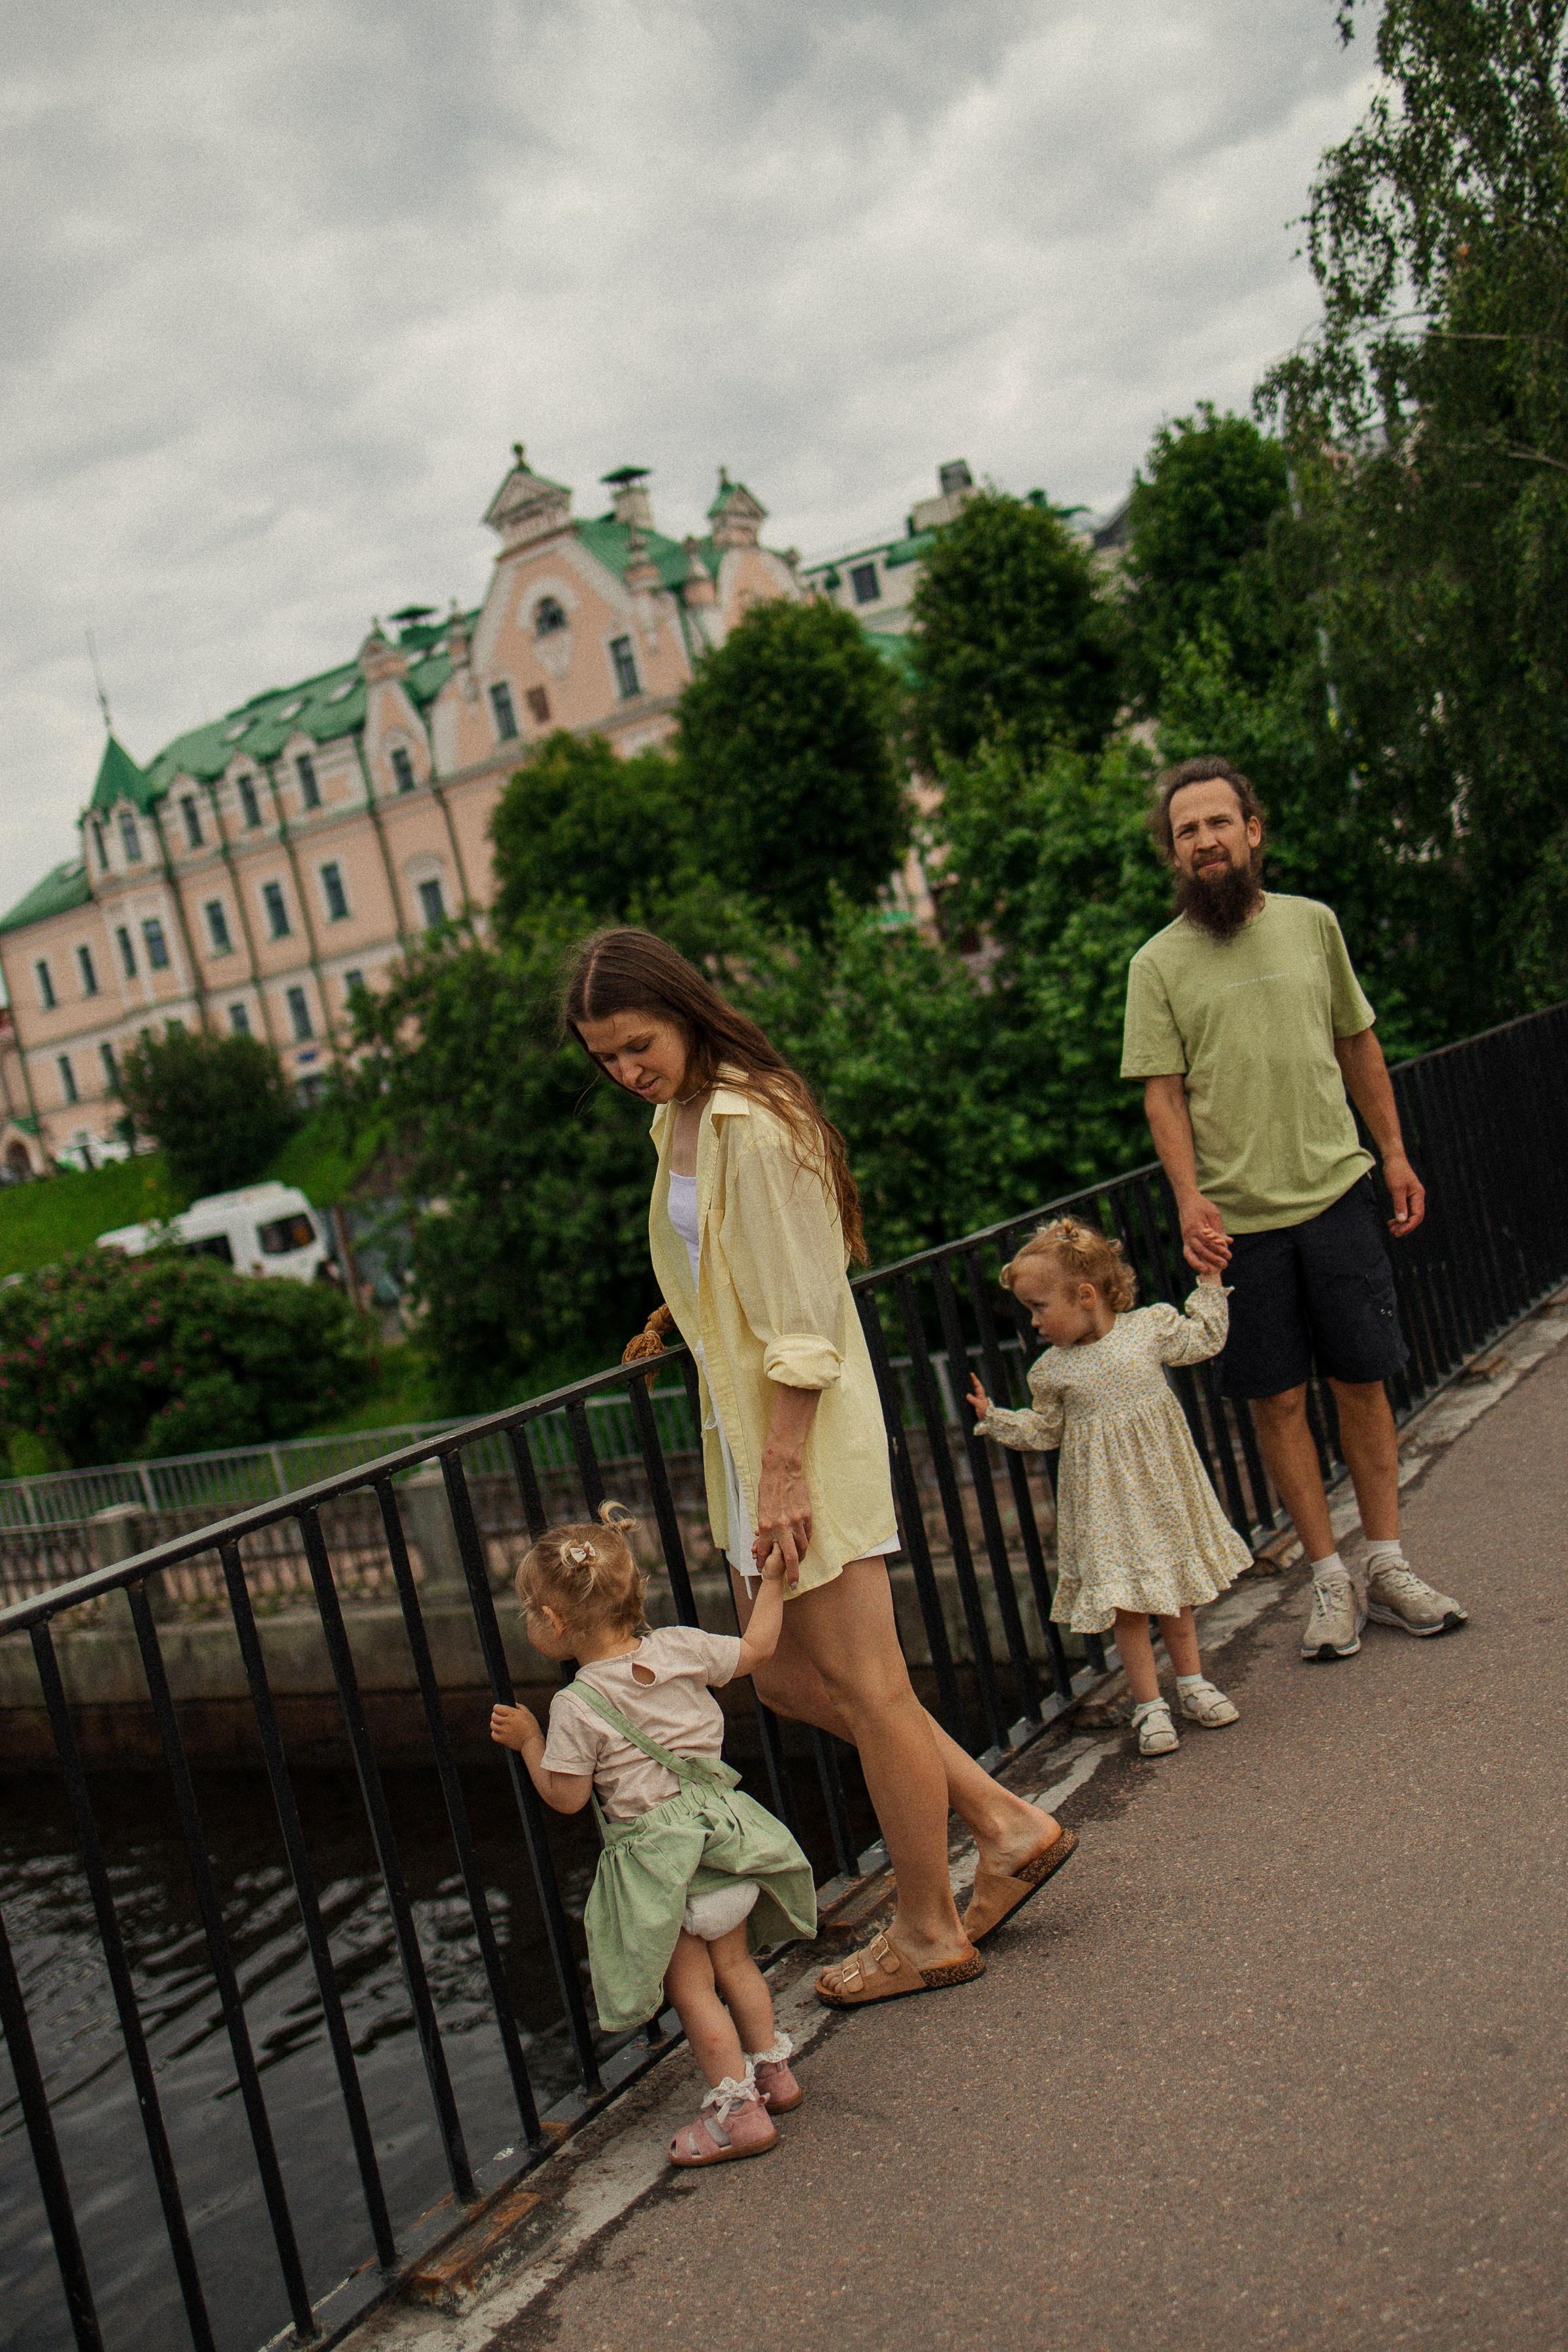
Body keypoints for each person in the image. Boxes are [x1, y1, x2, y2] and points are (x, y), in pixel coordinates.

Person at [564, 926, 1077, 2011]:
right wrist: (683, 1311)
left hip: (796, 1439)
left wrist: (788, 1469)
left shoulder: (754, 1119)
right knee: (793, 1676)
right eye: (603, 1057)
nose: (625, 1072)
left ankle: (930, 1926)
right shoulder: (681, 1117)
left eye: (636, 1045)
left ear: (684, 1012)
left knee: (870, 1687)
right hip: (757, 1442)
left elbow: (804, 1311)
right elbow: (739, 1265)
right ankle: (1002, 1820)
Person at [1121, 756, 1467, 1662]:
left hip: (1336, 1194)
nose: (1204, 841)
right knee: (1276, 1403)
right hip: (1237, 1224)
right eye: (1186, 830)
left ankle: (1387, 1566)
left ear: (1252, 831)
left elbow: (1358, 1042)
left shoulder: (1315, 927)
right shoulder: (1155, 964)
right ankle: (1327, 1578)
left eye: (1217, 823)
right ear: (1175, 852)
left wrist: (1393, 1153)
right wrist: (1190, 1199)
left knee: (1363, 1381)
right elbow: (1163, 1097)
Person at [489, 1503, 817, 2169]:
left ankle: (738, 2115)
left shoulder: (575, 1705)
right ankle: (775, 2075)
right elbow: (757, 1649)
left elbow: (568, 1796)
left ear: (554, 1623)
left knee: (693, 1990)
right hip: (724, 1836)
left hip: (661, 1865)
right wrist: (774, 1581)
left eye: (529, 1610)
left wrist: (530, 1743)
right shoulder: (679, 1647)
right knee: (738, 1966)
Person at [966, 1217, 1251, 1755]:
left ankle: (1192, 1684)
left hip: (1161, 1489)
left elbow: (1204, 1339)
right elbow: (1046, 1430)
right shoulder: (1051, 1371)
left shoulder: (1148, 1329)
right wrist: (997, 1418)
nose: (1033, 1323)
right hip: (1106, 1505)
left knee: (1175, 1594)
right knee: (1128, 1605)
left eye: (1039, 1308)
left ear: (1086, 1295)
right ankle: (1149, 1706)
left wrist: (1210, 1283)